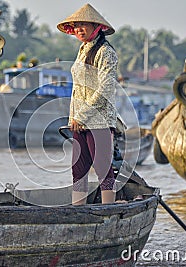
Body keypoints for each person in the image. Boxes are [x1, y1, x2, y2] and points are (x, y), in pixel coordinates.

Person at [57, 3, 118, 205]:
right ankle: (78, 212)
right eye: (76, 26)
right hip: (79, 121)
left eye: (84, 25)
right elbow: (78, 89)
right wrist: (74, 117)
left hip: (98, 119)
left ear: (96, 27)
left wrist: (82, 115)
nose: (79, 29)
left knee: (102, 168)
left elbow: (105, 89)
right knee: (79, 169)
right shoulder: (83, 49)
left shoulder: (105, 52)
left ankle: (108, 209)